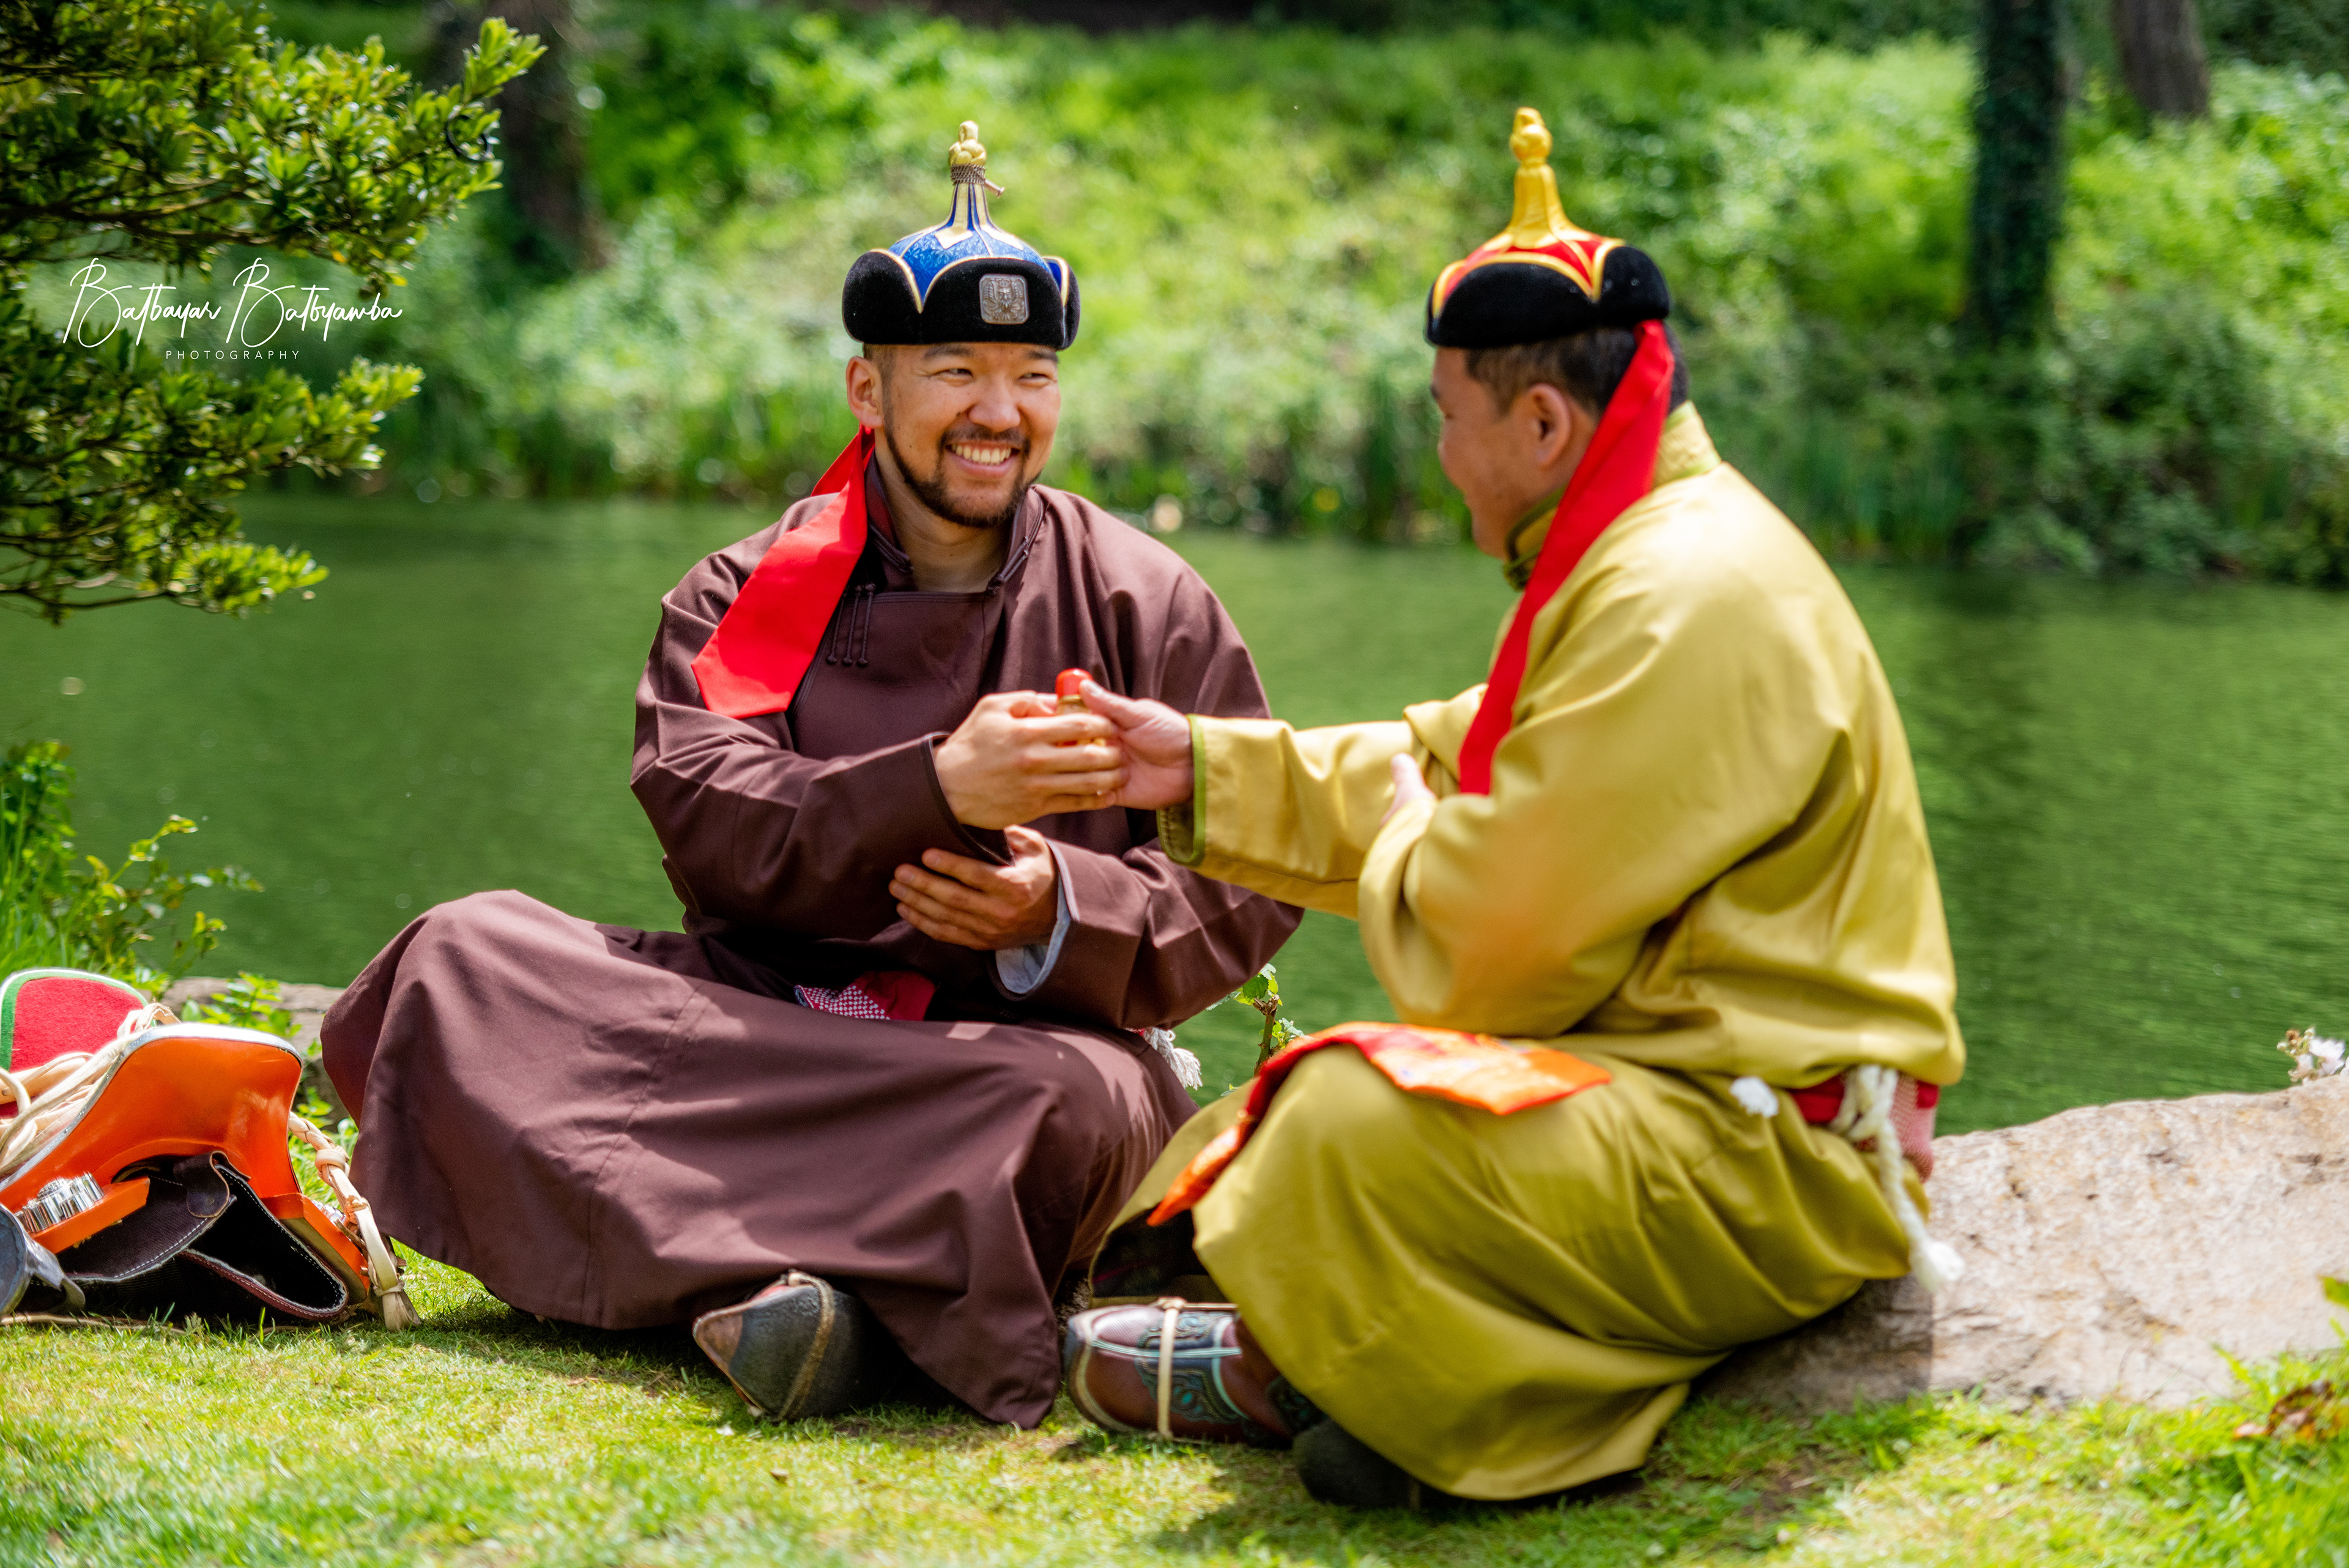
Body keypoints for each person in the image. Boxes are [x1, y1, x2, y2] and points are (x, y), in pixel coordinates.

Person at [322, 122, 1299, 1429]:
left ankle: (761, 1278)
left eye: (1032, 375)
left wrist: (1054, 910)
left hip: (999, 1049)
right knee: (465, 961)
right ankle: (847, 1294)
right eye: (954, 371)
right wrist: (939, 783)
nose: (998, 415)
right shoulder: (748, 590)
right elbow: (705, 817)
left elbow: (1249, 870)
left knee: (1073, 1105)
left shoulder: (1143, 597)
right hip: (761, 1017)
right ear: (867, 393)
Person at [1057, 108, 1965, 1507]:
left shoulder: (1679, 595)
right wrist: (1197, 764)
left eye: (1447, 418)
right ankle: (1379, 1374)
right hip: (1702, 1110)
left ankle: (1412, 1385)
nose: (1440, 456)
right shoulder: (1638, 554)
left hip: (1767, 1158)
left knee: (1344, 1113)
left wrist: (1423, 828)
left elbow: (1495, 940)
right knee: (1311, 1119)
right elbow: (1461, 761)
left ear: (1543, 420)